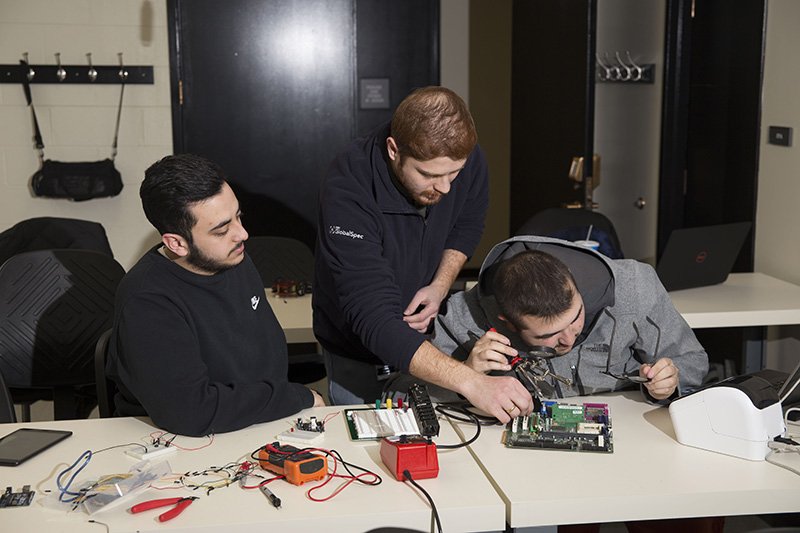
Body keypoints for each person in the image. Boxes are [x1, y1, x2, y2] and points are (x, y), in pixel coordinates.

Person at [313, 86, 532, 421]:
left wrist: (440, 285)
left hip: (429, 342)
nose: (444, 187)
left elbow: (467, 225)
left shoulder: (464, 158)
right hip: (356, 351)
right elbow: (373, 319)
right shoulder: (349, 186)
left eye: (453, 174)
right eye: (429, 175)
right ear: (393, 150)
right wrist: (472, 383)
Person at [107, 154, 324, 437]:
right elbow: (191, 412)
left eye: (238, 217)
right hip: (182, 441)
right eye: (222, 230)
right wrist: (296, 397)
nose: (242, 234)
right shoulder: (147, 300)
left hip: (254, 422)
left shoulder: (233, 259)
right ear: (177, 243)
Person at [434, 235, 709, 403]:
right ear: (508, 322)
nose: (568, 339)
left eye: (576, 317)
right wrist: (465, 376)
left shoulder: (635, 285)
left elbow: (693, 361)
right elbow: (403, 394)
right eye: (546, 336)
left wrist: (669, 382)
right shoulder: (465, 316)